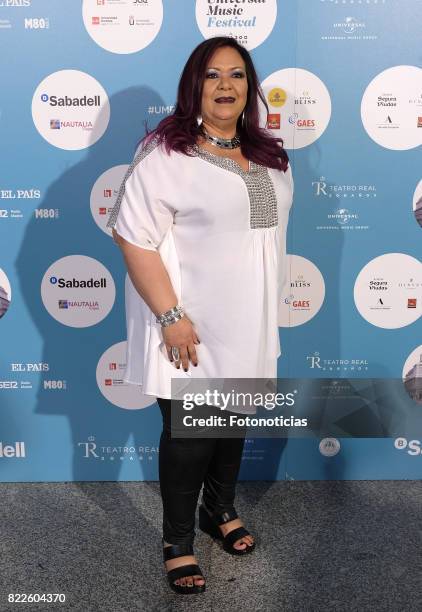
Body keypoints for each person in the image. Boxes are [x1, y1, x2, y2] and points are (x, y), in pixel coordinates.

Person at [106, 36, 293, 595]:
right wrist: (170, 316)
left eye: (236, 75)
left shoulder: (270, 154)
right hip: (187, 324)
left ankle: (221, 509)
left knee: (232, 419)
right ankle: (178, 542)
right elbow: (132, 238)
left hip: (249, 320)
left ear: (249, 86)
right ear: (194, 85)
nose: (226, 86)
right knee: (189, 433)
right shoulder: (166, 155)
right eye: (213, 76)